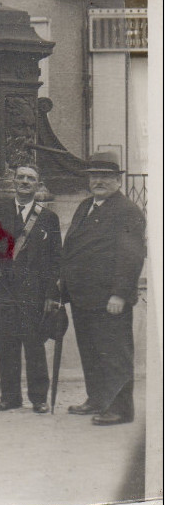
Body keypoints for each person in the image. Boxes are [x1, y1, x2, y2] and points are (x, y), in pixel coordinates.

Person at [61, 152, 146, 426]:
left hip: (109, 298)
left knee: (114, 353)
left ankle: (121, 409)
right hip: (83, 296)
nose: (99, 181)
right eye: (94, 175)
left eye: (106, 176)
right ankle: (97, 399)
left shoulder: (127, 211)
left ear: (117, 181)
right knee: (91, 351)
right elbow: (72, 248)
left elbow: (131, 257)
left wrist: (120, 294)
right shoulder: (85, 206)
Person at [0, 164, 62, 414]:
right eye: (21, 177)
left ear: (38, 185)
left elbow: (55, 260)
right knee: (7, 345)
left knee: (34, 344)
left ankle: (38, 398)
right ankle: (10, 397)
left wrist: (51, 295)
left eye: (31, 178)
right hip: (4, 289)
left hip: (33, 292)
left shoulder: (48, 218)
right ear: (13, 181)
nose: (25, 181)